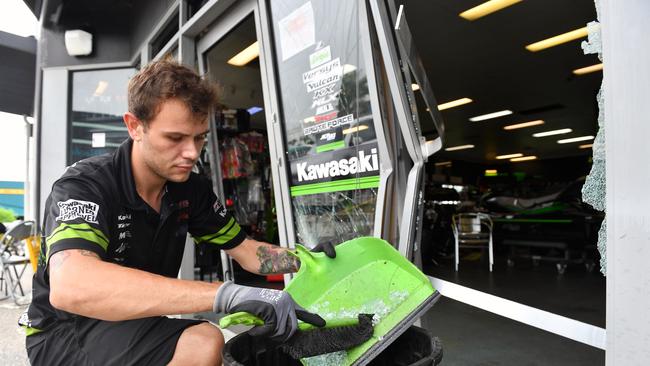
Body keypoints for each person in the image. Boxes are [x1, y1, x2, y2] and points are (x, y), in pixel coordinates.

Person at [21, 60, 336, 365]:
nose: (191, 152)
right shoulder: (87, 184)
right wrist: (226, 295)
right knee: (203, 342)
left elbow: (246, 250)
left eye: (198, 137)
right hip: (64, 331)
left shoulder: (189, 189)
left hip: (132, 325)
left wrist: (304, 260)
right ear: (135, 126)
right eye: (175, 138)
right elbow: (71, 285)